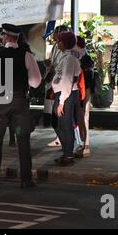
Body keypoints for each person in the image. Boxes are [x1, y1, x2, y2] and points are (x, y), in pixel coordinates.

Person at [0, 24, 42, 188]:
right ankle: (26, 179)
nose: (1, 38)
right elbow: (36, 82)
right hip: (19, 102)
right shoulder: (27, 55)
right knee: (23, 140)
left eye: (2, 35)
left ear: (8, 37)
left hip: (1, 102)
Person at [51, 32, 81, 166]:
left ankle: (68, 155)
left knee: (65, 125)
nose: (57, 44)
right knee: (59, 124)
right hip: (63, 93)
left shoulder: (69, 58)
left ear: (63, 43)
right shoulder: (67, 57)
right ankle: (66, 152)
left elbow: (67, 81)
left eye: (59, 41)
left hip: (66, 95)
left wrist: (61, 102)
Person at [44, 25, 71, 147]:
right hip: (54, 82)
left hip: (61, 85)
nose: (53, 36)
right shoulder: (56, 46)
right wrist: (49, 63)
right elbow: (53, 62)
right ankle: (61, 138)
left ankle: (66, 142)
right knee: (54, 114)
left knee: (59, 114)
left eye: (56, 33)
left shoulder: (68, 51)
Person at [74, 36, 94, 158]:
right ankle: (83, 144)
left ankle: (85, 145)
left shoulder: (81, 58)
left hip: (82, 89)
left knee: (83, 116)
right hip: (84, 89)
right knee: (82, 116)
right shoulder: (85, 57)